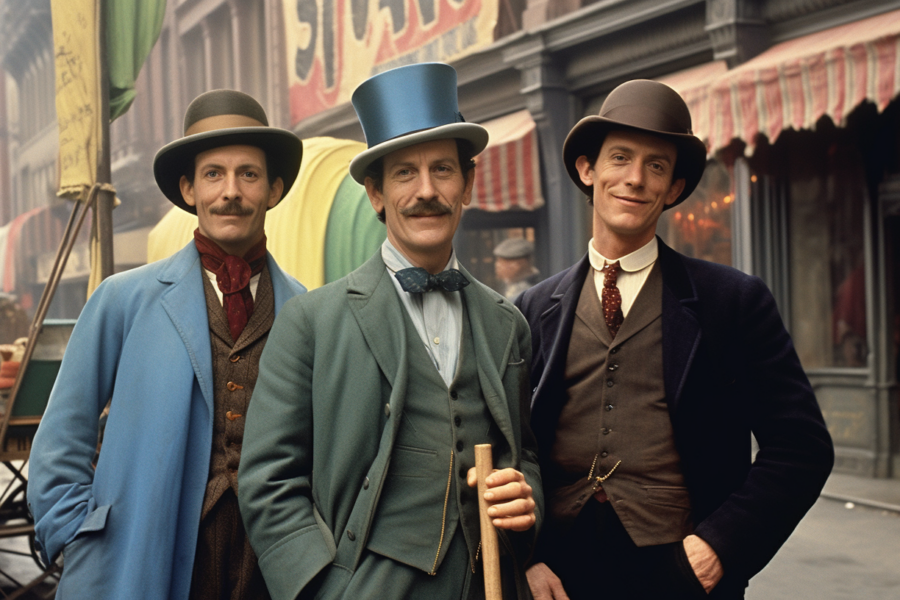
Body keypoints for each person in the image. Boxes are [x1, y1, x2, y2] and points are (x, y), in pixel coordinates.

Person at [515, 80, 834, 600]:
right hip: (561, 572)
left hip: (678, 568)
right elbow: (511, 453)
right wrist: (524, 557)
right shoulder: (534, 307)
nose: (635, 179)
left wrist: (720, 547)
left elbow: (802, 449)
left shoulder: (732, 301)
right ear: (587, 169)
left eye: (656, 166)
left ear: (675, 188)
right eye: (620, 158)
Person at [238, 63, 541, 600]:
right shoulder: (311, 323)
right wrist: (318, 588)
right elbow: (267, 482)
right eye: (405, 173)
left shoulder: (506, 324)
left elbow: (527, 457)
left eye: (443, 170)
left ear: (467, 184)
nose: (427, 191)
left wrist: (526, 496)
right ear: (376, 195)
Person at [27, 90, 306, 599]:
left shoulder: (305, 310)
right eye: (213, 174)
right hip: (147, 563)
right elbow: (61, 439)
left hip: (269, 569)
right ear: (189, 188)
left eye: (248, 174)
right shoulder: (122, 299)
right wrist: (80, 539)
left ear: (274, 189)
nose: (231, 192)